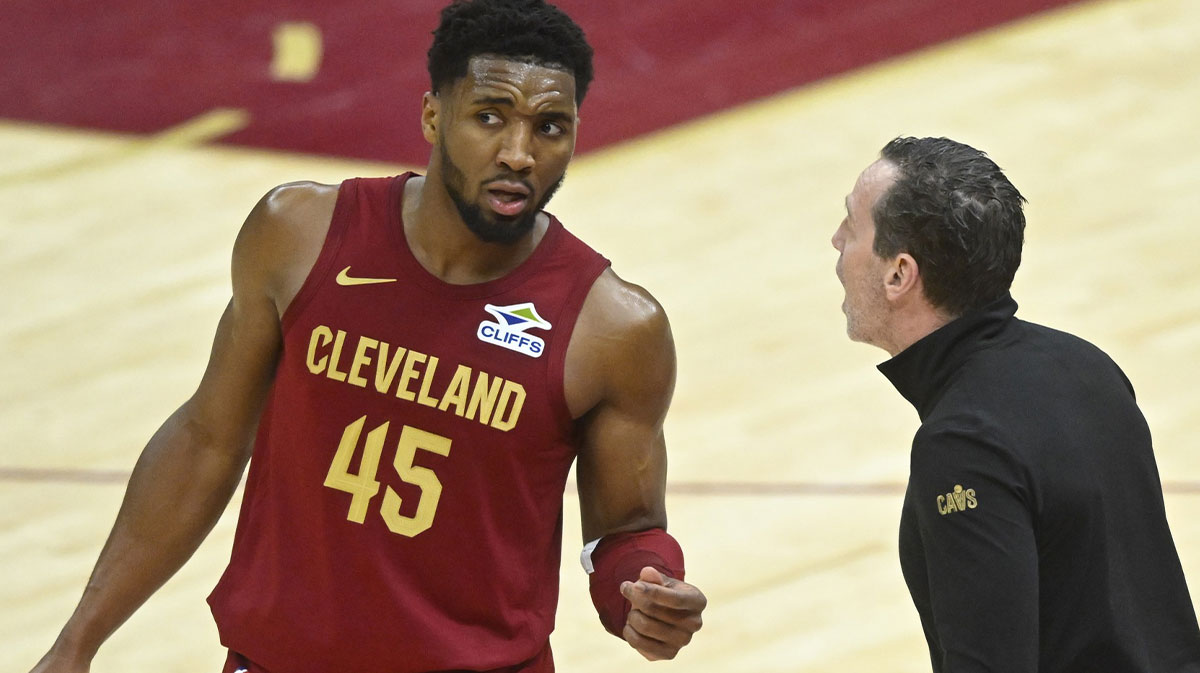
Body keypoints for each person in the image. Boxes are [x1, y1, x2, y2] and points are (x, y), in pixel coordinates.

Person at [30, 1, 706, 671]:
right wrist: (76, 642)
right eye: (489, 117)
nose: (519, 154)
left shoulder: (614, 328)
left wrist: (646, 595)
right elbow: (207, 440)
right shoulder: (298, 233)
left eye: (551, 127)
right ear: (433, 116)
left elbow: (625, 532)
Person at [832, 136, 1200, 672]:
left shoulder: (964, 444)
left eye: (852, 226)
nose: (836, 240)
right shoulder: (1085, 365)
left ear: (899, 275)